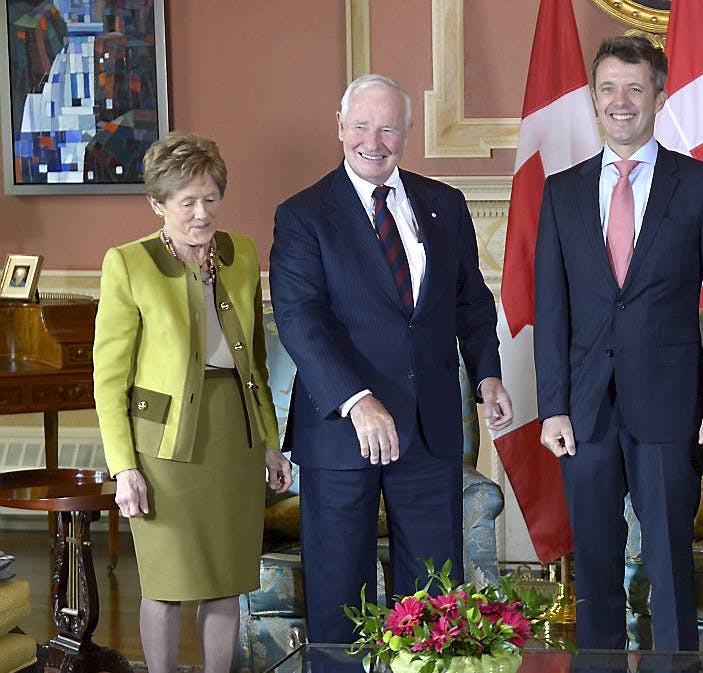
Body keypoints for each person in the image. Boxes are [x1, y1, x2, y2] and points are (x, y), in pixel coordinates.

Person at [270, 73, 514, 644]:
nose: (373, 142)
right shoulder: (303, 214)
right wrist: (358, 402)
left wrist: (488, 374)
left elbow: (471, 302)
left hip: (429, 431)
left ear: (408, 131)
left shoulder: (444, 204)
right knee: (339, 599)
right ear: (339, 126)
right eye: (360, 126)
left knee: (432, 601)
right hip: (341, 432)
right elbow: (302, 321)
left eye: (387, 128)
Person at [534, 35, 703, 650]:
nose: (620, 101)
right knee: (594, 569)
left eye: (634, 88)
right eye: (608, 89)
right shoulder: (561, 191)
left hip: (672, 408)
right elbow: (552, 310)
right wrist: (553, 406)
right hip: (585, 410)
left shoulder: (702, 186)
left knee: (670, 566)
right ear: (594, 98)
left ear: (660, 96)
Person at [93, 132, 293, 673]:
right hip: (163, 446)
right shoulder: (128, 263)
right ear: (157, 204)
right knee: (166, 583)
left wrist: (270, 443)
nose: (202, 214)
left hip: (234, 437)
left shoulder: (241, 253)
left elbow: (256, 363)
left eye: (210, 198)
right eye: (187, 203)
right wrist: (124, 468)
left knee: (225, 581)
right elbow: (108, 380)